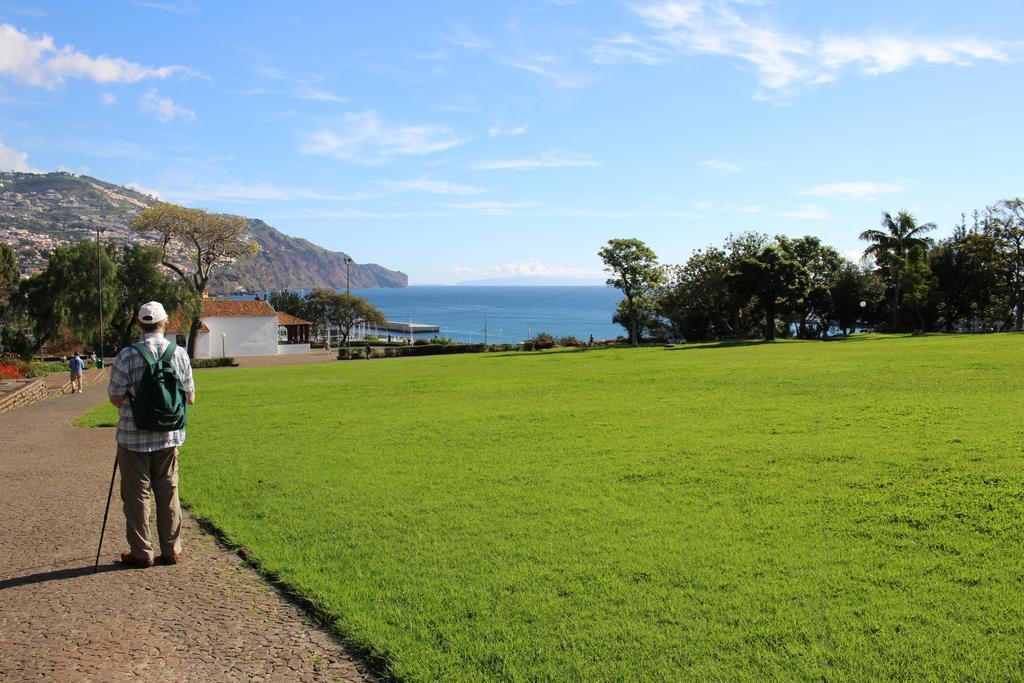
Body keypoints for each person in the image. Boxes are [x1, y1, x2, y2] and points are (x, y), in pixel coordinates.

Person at [107, 301, 196, 568]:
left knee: (136, 496)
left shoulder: (127, 355)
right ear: (165, 323)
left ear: (139, 324)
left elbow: (115, 398)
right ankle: (171, 550)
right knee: (168, 491)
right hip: (169, 437)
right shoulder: (178, 354)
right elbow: (190, 398)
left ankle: (142, 552)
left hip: (133, 437)